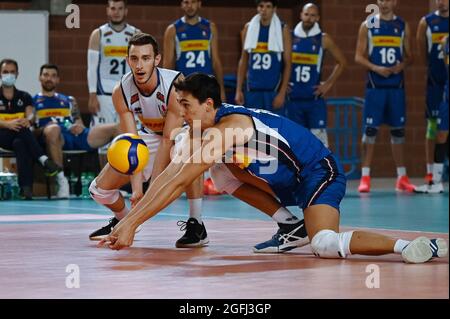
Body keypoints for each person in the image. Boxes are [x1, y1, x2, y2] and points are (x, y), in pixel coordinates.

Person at [98, 73, 448, 265]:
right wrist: (129, 220)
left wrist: (131, 224)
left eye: (186, 106)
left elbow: (177, 182)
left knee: (324, 244)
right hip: (283, 176)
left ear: (208, 105)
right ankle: (289, 224)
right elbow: (173, 174)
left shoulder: (228, 129)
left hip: (318, 172)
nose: (182, 114)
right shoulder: (209, 124)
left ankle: (409, 246)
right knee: (219, 173)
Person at [88, 33, 207, 249]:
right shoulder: (121, 91)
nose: (140, 65)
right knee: (98, 189)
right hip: (150, 135)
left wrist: (151, 189)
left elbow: (167, 141)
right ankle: (124, 219)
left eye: (146, 58)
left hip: (180, 134)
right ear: (128, 61)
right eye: (134, 59)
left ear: (157, 60)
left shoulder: (174, 84)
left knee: (189, 147)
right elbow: (132, 143)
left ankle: (196, 223)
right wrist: (137, 191)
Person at [163, 0, 227, 195]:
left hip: (206, 88)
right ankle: (186, 176)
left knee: (209, 131)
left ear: (199, 3)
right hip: (186, 91)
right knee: (187, 132)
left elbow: (215, 60)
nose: (189, 5)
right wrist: (170, 93)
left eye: (192, 1)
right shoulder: (173, 30)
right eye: (185, 2)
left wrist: (221, 89)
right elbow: (168, 63)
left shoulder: (210, 27)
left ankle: (210, 177)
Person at [33, 64, 120, 198]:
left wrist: (79, 126)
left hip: (74, 135)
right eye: (46, 75)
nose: (49, 78)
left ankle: (115, 181)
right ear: (40, 77)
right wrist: (45, 128)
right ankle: (62, 182)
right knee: (54, 130)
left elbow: (78, 121)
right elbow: (32, 131)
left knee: (117, 127)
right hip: (54, 139)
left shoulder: (68, 100)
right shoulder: (33, 102)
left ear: (58, 80)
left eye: (53, 76)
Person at [355, 0, 416, 193]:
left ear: (395, 2)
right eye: (381, 0)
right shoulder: (369, 24)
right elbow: (358, 56)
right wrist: (376, 68)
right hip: (375, 87)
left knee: (398, 132)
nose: (384, 3)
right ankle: (365, 177)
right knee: (370, 132)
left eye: (389, 0)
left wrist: (402, 65)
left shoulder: (402, 25)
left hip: (396, 87)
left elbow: (411, 56)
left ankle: (402, 177)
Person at [87, 0, 140, 167]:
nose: (116, 12)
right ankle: (104, 187)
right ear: (107, 11)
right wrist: (92, 94)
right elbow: (91, 67)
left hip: (128, 93)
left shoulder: (135, 33)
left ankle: (125, 182)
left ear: (126, 11)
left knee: (130, 138)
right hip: (104, 94)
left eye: (120, 8)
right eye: (112, 8)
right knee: (103, 143)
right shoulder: (98, 34)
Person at [287, 3, 346, 147]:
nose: (309, 18)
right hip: (293, 99)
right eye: (306, 14)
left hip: (314, 100)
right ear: (301, 15)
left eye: (313, 15)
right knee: (295, 145)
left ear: (318, 18)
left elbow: (342, 62)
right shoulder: (289, 36)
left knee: (320, 145)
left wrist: (328, 84)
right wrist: (282, 84)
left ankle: (323, 170)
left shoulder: (323, 39)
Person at [0, 59, 60, 199]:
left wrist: (28, 120)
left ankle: (25, 189)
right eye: (5, 72)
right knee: (23, 132)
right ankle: (44, 159)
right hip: (1, 135)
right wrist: (7, 124)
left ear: (17, 74)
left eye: (12, 72)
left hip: (18, 135)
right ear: (0, 74)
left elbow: (31, 115)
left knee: (20, 142)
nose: (9, 74)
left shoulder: (24, 96)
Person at [235, 0, 291, 114]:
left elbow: (288, 63)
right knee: (254, 130)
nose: (264, 9)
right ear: (257, 8)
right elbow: (244, 60)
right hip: (252, 90)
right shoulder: (248, 27)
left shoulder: (282, 29)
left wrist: (282, 92)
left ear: (274, 9)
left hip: (273, 91)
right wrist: (238, 89)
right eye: (261, 6)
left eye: (268, 6)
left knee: (273, 131)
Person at [416, 0, 449, 184]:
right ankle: (431, 171)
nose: (441, 2)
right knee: (433, 128)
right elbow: (422, 55)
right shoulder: (426, 22)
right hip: (436, 85)